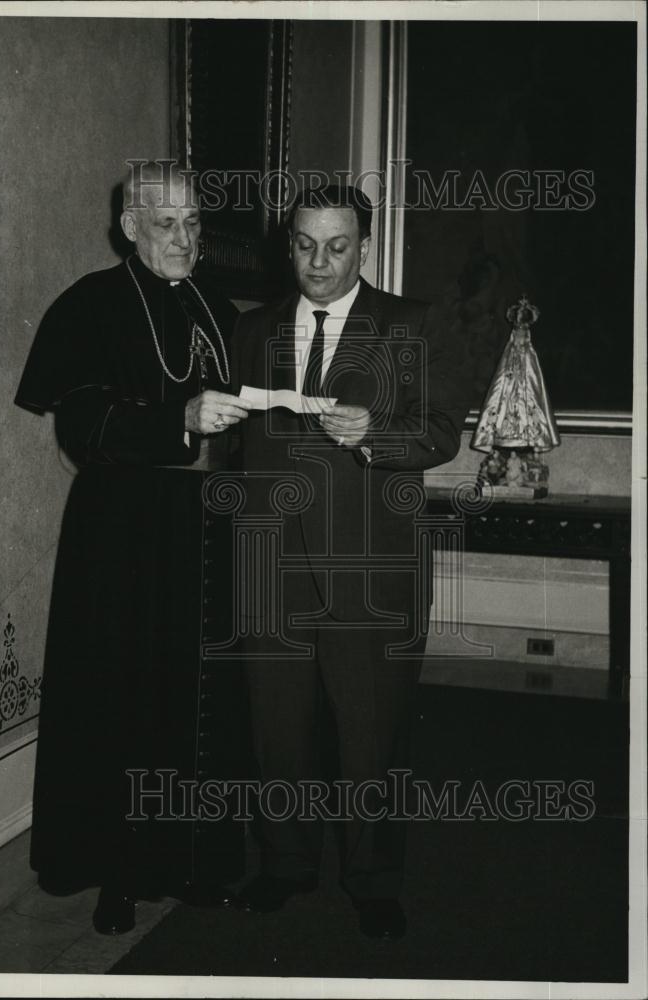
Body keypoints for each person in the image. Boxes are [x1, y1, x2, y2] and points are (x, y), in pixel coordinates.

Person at [14, 161, 252, 935]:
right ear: (128, 227)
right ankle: (118, 873)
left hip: (209, 530)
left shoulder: (217, 304)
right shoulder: (88, 307)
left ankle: (196, 860)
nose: (184, 239)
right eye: (164, 224)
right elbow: (83, 431)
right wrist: (180, 420)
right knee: (124, 697)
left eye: (192, 224)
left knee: (201, 695)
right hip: (125, 531)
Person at [230, 184, 471, 939]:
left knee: (371, 735)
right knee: (277, 732)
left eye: (337, 247)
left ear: (363, 246)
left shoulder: (411, 322)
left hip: (370, 572)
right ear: (288, 244)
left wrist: (375, 434)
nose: (319, 263)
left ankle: (373, 879)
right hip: (270, 569)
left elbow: (440, 434)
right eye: (304, 245)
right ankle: (284, 864)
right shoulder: (252, 328)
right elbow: (231, 445)